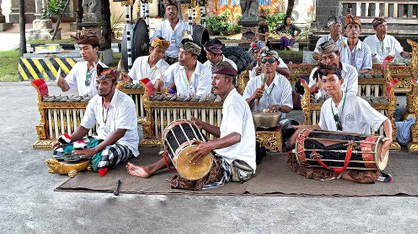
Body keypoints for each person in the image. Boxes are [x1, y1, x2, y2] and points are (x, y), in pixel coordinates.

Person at [126, 62, 256, 190]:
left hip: (239, 166)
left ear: (229, 81)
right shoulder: (230, 99)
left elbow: (235, 137)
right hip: (229, 156)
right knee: (188, 148)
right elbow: (226, 134)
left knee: (192, 163)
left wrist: (209, 145)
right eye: (212, 79)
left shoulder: (233, 102)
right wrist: (202, 125)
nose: (212, 83)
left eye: (217, 79)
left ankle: (150, 169)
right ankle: (150, 169)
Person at [289, 65, 392, 184]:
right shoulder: (326, 105)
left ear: (341, 81)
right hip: (336, 149)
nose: (328, 85)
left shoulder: (356, 102)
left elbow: (385, 121)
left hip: (358, 150)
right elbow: (321, 127)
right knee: (302, 158)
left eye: (332, 80)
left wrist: (389, 138)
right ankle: (343, 172)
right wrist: (304, 128)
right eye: (324, 81)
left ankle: (338, 171)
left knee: (366, 179)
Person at [53, 65, 139, 177]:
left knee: (106, 156)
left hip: (124, 143)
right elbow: (84, 127)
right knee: (60, 151)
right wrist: (67, 141)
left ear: (114, 85)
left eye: (105, 83)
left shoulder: (125, 102)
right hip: (100, 139)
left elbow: (120, 132)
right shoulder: (94, 101)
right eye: (98, 82)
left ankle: (86, 160)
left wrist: (94, 150)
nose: (100, 86)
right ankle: (89, 160)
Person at [56, 29, 107, 97]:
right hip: (83, 106)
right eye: (80, 49)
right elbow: (66, 88)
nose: (82, 52)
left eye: (86, 49)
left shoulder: (104, 70)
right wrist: (62, 84)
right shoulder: (78, 67)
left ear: (96, 49)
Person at [244, 49, 293, 114]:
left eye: (271, 60)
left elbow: (288, 107)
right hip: (257, 120)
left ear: (277, 64)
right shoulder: (253, 82)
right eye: (264, 61)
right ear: (261, 64)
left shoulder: (284, 82)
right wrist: (253, 97)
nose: (267, 63)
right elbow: (243, 106)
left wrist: (279, 107)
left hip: (278, 120)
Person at [151, 0, 188, 65]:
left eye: (173, 9)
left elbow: (189, 41)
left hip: (180, 57)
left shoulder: (185, 25)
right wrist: (161, 54)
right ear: (165, 13)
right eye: (168, 9)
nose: (171, 11)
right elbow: (155, 42)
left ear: (177, 11)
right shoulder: (160, 26)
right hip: (164, 57)